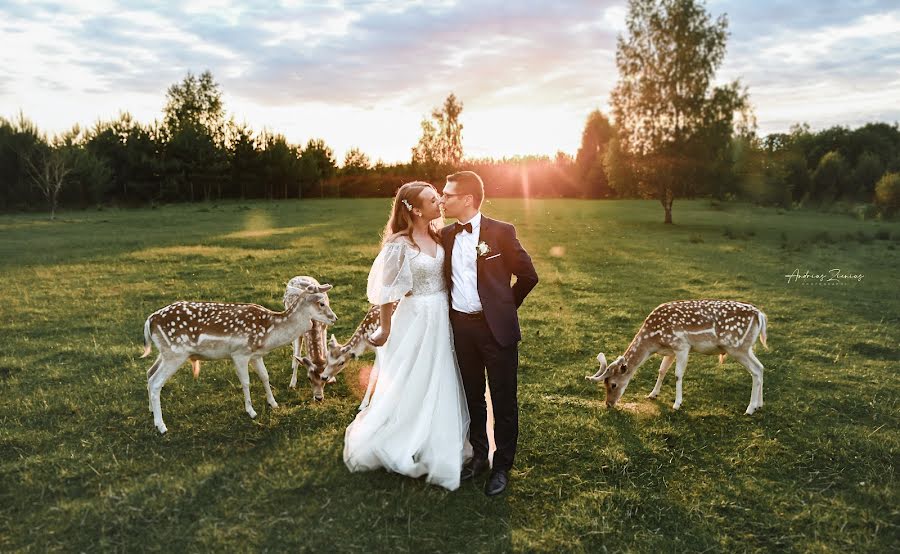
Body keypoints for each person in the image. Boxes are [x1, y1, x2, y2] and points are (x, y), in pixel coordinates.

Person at [343, 181, 470, 491]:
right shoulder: (400, 244)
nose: (439, 201)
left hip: (444, 313)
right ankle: (406, 437)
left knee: (445, 374)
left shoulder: (441, 236)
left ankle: (442, 435)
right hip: (416, 317)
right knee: (414, 376)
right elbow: (387, 291)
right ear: (413, 208)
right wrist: (385, 328)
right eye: (431, 199)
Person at [439, 170, 538, 496]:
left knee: (503, 399)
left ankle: (502, 466)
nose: (443, 199)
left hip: (496, 329)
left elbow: (528, 275)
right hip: (462, 329)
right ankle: (479, 455)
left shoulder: (501, 232)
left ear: (467, 198)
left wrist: (505, 307)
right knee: (472, 397)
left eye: (448, 194)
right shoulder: (447, 235)